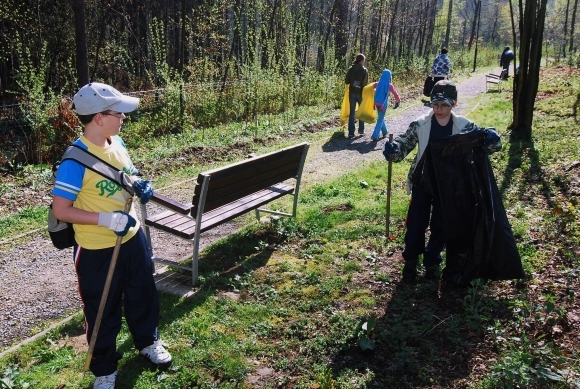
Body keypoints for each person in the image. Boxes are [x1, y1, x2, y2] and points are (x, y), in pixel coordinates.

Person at [51, 82, 172, 389]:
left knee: (142, 293)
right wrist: (104, 218)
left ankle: (147, 341)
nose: (123, 118)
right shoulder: (73, 161)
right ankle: (104, 367)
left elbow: (125, 172)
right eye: (119, 113)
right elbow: (62, 210)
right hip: (97, 249)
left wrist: (137, 183)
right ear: (99, 117)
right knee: (102, 309)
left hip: (132, 238)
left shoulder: (115, 141)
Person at [382, 80, 501, 280]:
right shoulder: (421, 124)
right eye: (435, 104)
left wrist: (492, 137)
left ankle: (432, 262)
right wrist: (393, 149)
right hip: (423, 182)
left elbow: (489, 144)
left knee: (441, 226)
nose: (439, 109)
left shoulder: (463, 126)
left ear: (454, 104)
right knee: (416, 224)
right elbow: (403, 145)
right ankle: (411, 260)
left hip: (449, 185)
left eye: (444, 105)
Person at [371, 69, 401, 141]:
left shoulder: (378, 83)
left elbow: (371, 86)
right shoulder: (389, 85)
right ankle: (375, 135)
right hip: (383, 104)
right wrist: (399, 100)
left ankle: (385, 132)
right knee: (380, 119)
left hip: (377, 103)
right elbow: (395, 93)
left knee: (381, 118)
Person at [345, 53, 369, 138]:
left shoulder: (350, 69)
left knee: (352, 112)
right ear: (361, 61)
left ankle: (351, 132)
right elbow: (365, 84)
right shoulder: (364, 70)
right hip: (360, 93)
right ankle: (361, 130)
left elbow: (347, 81)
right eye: (364, 60)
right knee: (361, 111)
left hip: (351, 93)